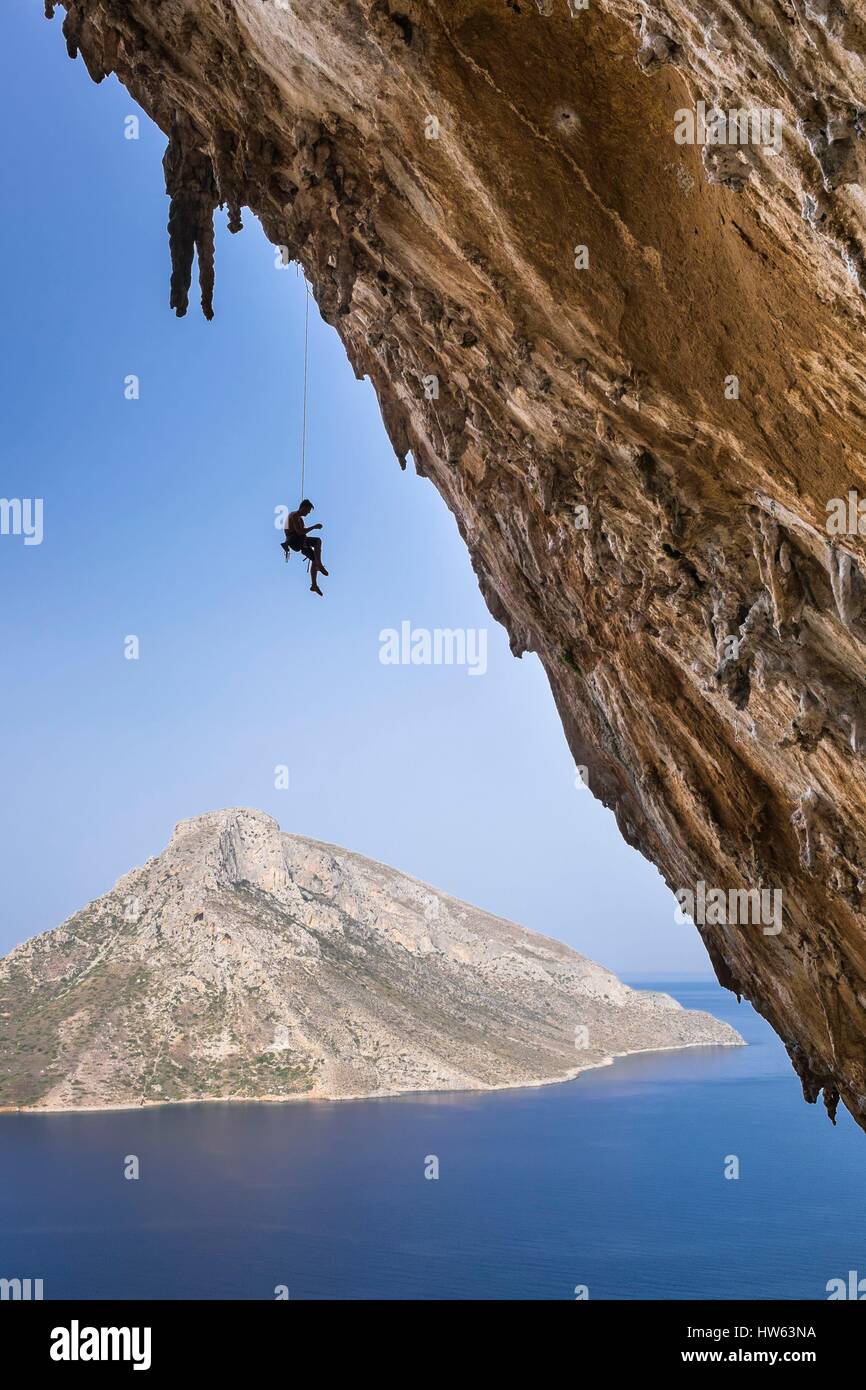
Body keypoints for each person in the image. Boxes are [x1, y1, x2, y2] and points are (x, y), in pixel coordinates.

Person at [282, 499, 329, 595]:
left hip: (300, 542)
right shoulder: (294, 515)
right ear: (303, 507)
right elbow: (299, 532)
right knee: (317, 541)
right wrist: (314, 527)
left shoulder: (300, 519)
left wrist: (307, 544)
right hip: (294, 541)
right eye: (307, 511)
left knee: (314, 557)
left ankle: (314, 585)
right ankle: (319, 565)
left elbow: (303, 531)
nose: (307, 514)